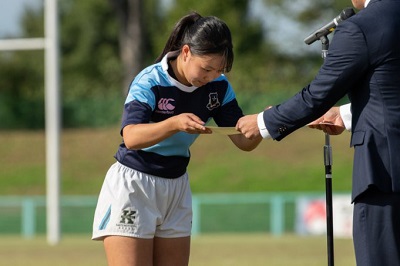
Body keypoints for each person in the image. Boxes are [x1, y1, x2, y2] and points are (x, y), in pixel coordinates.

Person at [236, 0, 400, 265]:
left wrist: (263, 122)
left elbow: (317, 95)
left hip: (385, 173)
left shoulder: (361, 27)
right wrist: (346, 114)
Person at [92, 11, 262, 266]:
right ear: (185, 52)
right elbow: (131, 137)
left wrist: (265, 124)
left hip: (176, 186)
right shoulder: (150, 81)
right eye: (206, 68)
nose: (212, 77)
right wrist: (174, 123)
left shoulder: (219, 87)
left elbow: (242, 141)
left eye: (219, 70)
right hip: (134, 186)